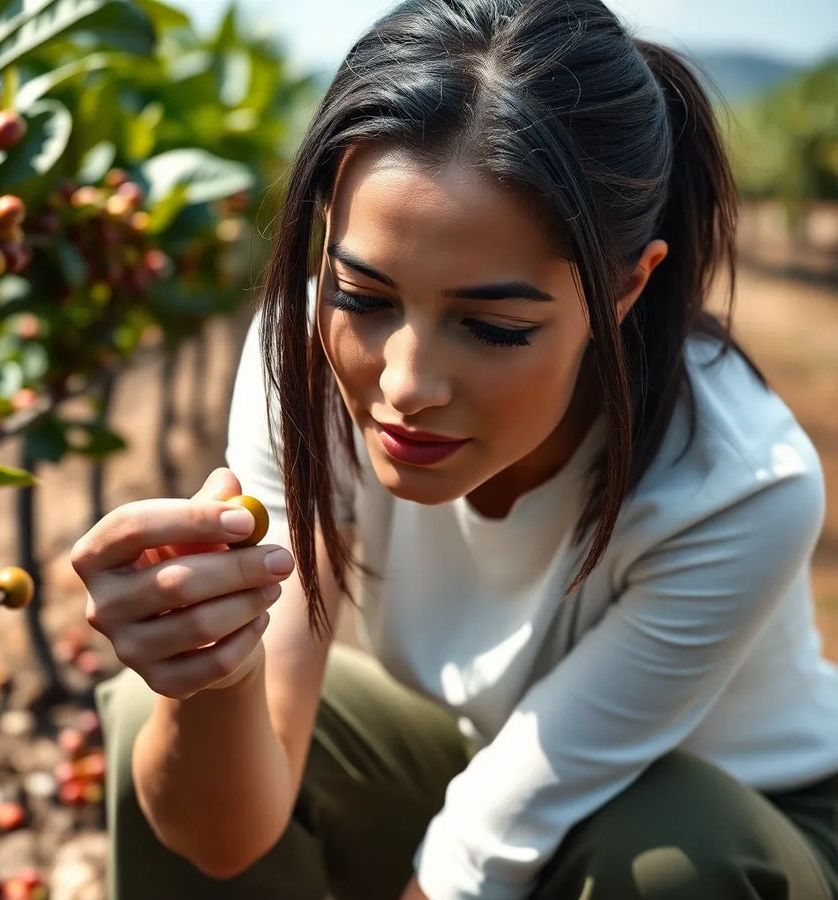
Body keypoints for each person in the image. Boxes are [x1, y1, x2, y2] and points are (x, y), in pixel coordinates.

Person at [70, 1, 838, 898]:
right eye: (363, 296)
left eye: (493, 326)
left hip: (750, 823)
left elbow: (492, 834)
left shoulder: (739, 489)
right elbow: (227, 838)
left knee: (665, 850)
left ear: (626, 288)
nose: (405, 385)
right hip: (487, 756)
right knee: (159, 711)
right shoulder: (303, 359)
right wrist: (217, 664)